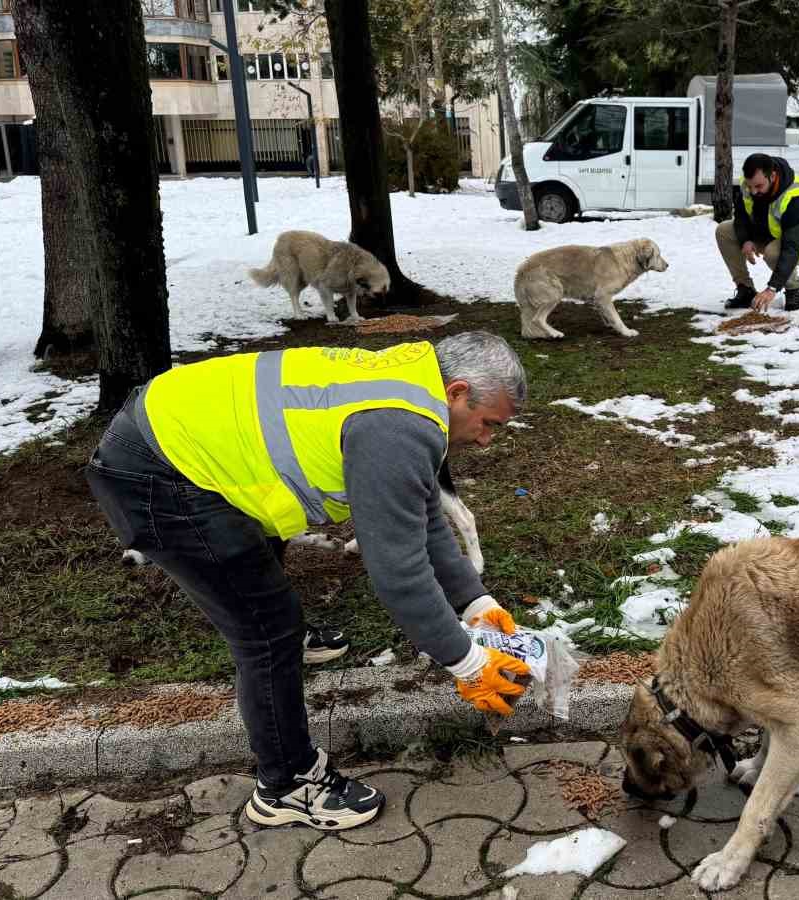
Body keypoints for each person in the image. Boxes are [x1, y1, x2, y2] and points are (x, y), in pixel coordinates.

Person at [85, 332, 532, 831]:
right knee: (267, 631)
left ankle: (287, 654)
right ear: (458, 391)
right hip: (157, 472)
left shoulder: (413, 385)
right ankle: (286, 785)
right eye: (489, 423)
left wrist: (475, 602)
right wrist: (468, 662)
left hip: (183, 434)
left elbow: (422, 514)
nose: (488, 439)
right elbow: (399, 572)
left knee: (266, 604)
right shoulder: (399, 427)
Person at [715, 152, 799, 312]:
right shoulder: (749, 184)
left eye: (758, 186)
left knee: (773, 252)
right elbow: (741, 216)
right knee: (724, 230)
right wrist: (746, 240)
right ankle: (745, 290)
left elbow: (791, 246)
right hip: (768, 231)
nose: (754, 191)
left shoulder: (796, 195)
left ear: (773, 176)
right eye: (750, 186)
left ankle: (794, 290)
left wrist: (772, 289)